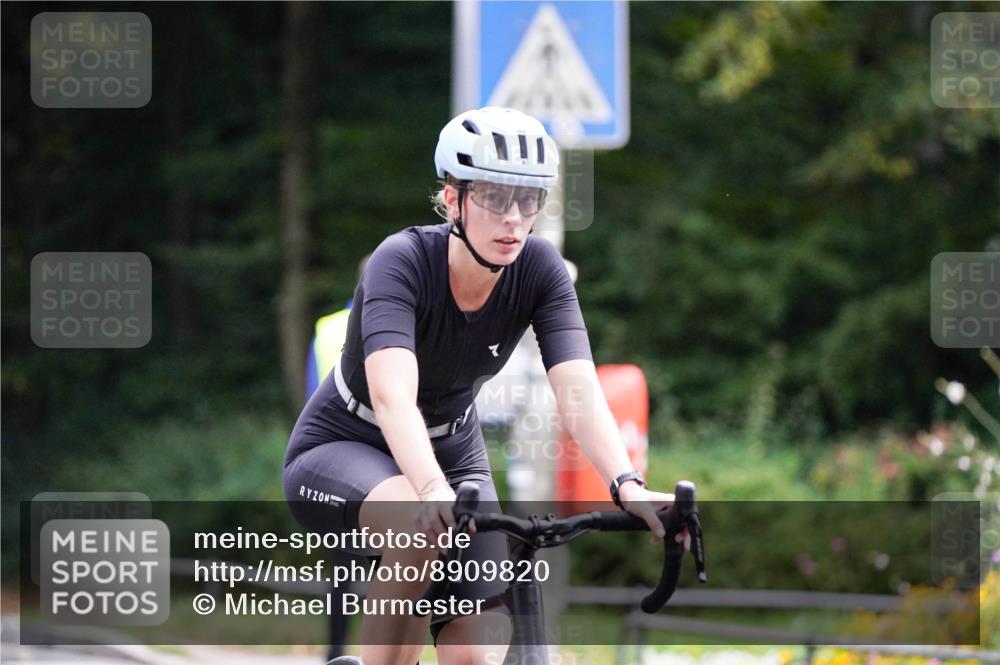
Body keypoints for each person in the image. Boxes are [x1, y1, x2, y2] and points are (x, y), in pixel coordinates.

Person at [283, 106, 676, 665]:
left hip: (454, 455)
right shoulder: (402, 262)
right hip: (346, 443)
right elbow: (394, 397)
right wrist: (427, 490)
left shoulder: (541, 269)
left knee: (478, 653)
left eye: (529, 199)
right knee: (417, 533)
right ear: (453, 199)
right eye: (494, 197)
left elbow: (578, 391)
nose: (514, 218)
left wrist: (627, 485)